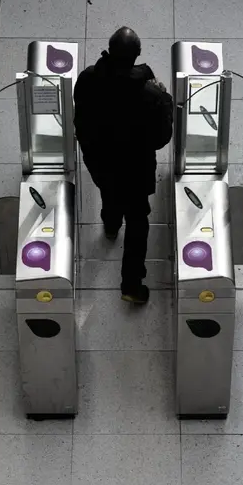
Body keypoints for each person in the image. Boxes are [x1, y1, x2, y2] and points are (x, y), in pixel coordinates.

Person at [74, 27, 173, 304]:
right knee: (138, 221)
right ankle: (131, 284)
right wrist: (165, 99)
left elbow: (80, 114)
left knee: (109, 192)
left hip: (99, 160)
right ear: (136, 55)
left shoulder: (87, 78)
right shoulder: (151, 94)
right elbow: (161, 138)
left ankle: (110, 225)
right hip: (135, 169)